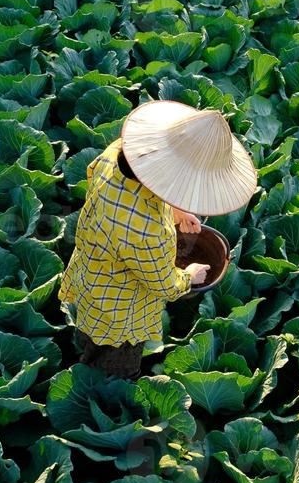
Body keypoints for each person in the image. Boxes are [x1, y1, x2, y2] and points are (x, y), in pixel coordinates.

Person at [59, 100, 258, 379]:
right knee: (114, 368)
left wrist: (175, 209)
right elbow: (163, 284)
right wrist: (189, 276)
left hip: (90, 275)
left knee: (91, 333)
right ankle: (100, 379)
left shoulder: (113, 154)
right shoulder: (150, 231)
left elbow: (137, 186)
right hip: (121, 311)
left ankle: (88, 353)